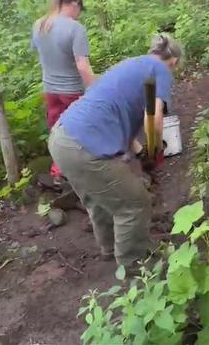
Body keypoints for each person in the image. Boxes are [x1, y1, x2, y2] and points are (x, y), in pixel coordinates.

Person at [48, 34, 181, 268]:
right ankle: (133, 263)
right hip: (85, 146)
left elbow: (123, 120)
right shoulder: (160, 71)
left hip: (62, 139)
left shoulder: (131, 66)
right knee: (134, 202)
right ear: (174, 62)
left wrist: (141, 153)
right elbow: (153, 117)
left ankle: (110, 248)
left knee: (99, 200)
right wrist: (153, 153)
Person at [30, 0, 95, 183]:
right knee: (80, 133)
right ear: (75, 4)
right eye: (80, 8)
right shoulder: (75, 28)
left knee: (57, 132)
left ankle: (58, 172)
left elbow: (41, 53)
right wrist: (93, 89)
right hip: (72, 91)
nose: (79, 13)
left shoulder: (39, 25)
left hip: (50, 89)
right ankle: (83, 175)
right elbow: (82, 66)